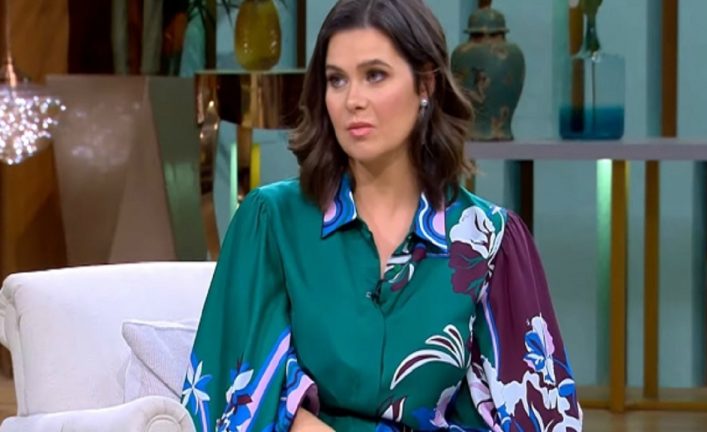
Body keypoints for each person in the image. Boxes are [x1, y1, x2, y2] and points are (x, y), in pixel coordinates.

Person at [182, 0, 583, 430]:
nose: (353, 100)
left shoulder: (489, 241)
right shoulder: (272, 223)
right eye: (336, 80)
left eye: (375, 75)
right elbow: (227, 394)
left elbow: (543, 415)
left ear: (425, 84)